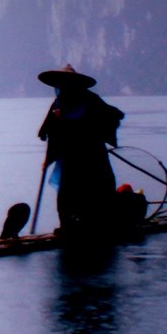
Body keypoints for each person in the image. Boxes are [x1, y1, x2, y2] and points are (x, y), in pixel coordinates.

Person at [36, 64, 125, 237]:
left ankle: (97, 224)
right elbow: (51, 134)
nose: (62, 87)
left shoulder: (91, 100)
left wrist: (93, 129)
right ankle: (69, 226)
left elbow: (114, 116)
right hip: (71, 159)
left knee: (96, 190)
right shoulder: (58, 105)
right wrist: (49, 159)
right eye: (60, 84)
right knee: (68, 194)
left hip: (93, 156)